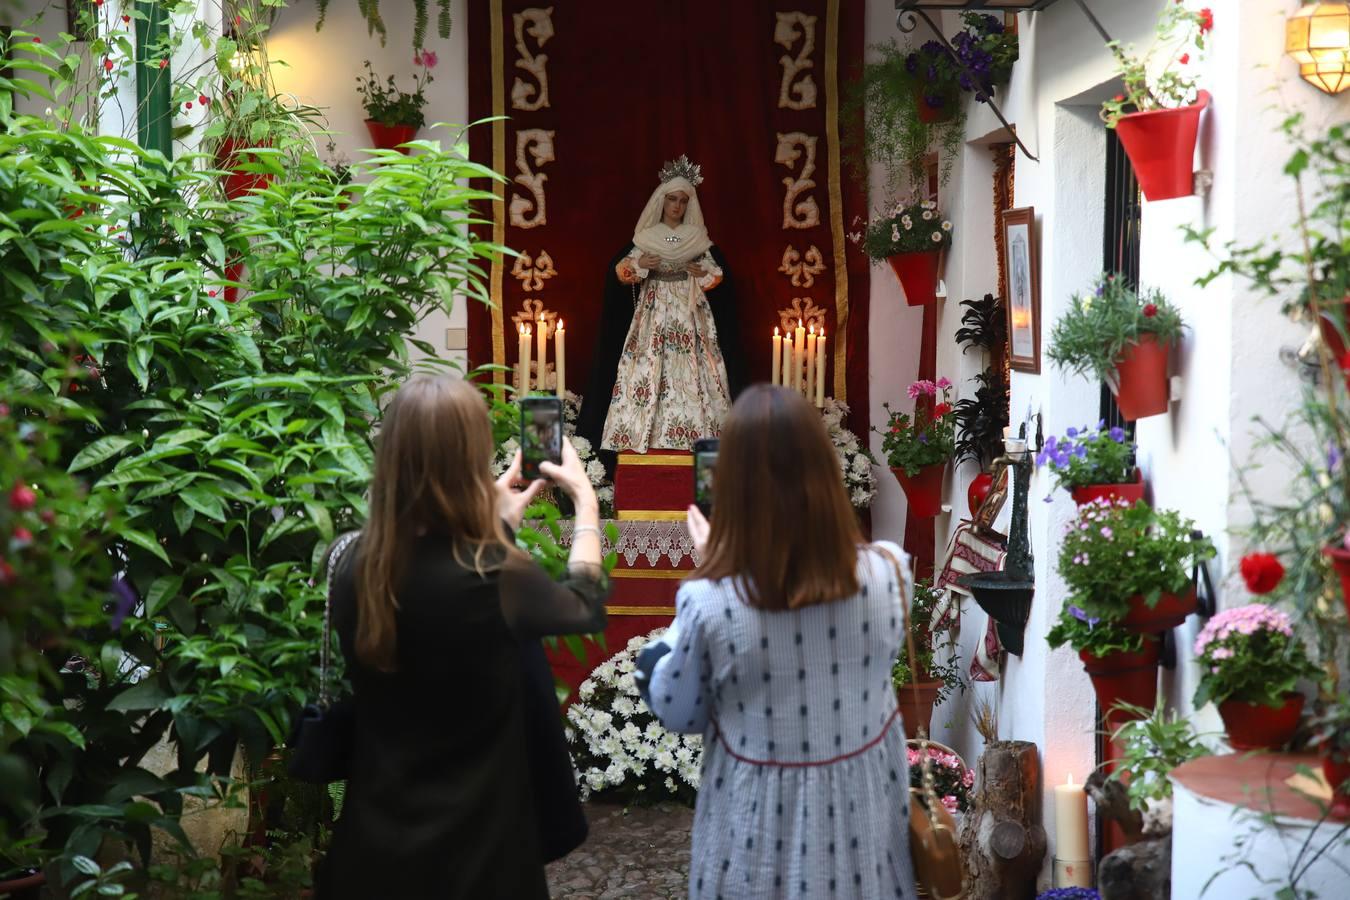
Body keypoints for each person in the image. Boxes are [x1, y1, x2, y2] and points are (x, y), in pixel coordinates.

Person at [317, 375, 608, 899]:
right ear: (471, 459)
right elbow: (583, 605)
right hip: (481, 857)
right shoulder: (498, 576)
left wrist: (488, 529)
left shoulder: (349, 561)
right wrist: (586, 505)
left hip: (374, 852)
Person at [637, 384, 918, 899]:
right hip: (863, 842)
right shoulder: (892, 573)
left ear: (734, 488)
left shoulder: (714, 602)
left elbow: (678, 710)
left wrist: (713, 567)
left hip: (755, 843)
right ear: (826, 473)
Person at [577, 156, 746, 461]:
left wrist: (702, 273)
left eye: (683, 201)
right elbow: (622, 269)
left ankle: (695, 432)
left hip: (687, 310)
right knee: (649, 364)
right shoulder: (648, 236)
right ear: (662, 200)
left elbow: (717, 273)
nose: (677, 207)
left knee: (693, 371)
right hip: (654, 310)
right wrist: (639, 264)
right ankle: (647, 432)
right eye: (672, 200)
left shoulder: (696, 237)